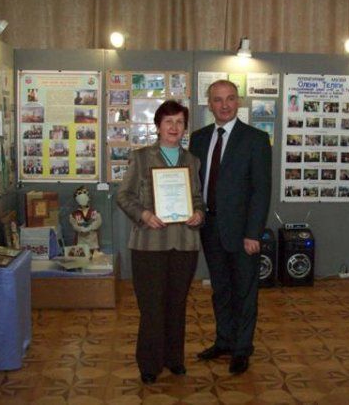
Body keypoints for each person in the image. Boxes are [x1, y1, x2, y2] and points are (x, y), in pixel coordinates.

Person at [117, 100, 204, 385]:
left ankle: (174, 359)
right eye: (168, 122)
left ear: (185, 127)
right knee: (152, 307)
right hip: (148, 245)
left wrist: (199, 214)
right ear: (157, 126)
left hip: (184, 245)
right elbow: (124, 196)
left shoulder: (192, 161)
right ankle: (150, 364)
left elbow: (199, 200)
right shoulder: (141, 158)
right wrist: (143, 214)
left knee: (177, 306)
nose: (174, 127)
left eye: (179, 122)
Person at [189, 80, 271, 375]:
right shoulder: (197, 139)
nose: (224, 105)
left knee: (245, 291)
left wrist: (253, 233)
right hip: (209, 228)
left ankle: (242, 348)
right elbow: (192, 185)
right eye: (217, 99)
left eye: (230, 99)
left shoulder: (256, 139)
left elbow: (261, 191)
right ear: (208, 104)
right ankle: (224, 340)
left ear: (239, 102)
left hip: (242, 233)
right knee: (220, 289)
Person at [69, 186, 102, 252]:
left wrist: (89, 228)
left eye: (84, 194)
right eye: (79, 196)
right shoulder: (74, 215)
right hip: (80, 244)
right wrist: (82, 229)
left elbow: (97, 224)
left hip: (93, 243)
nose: (82, 199)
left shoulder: (95, 212)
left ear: (88, 197)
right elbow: (75, 226)